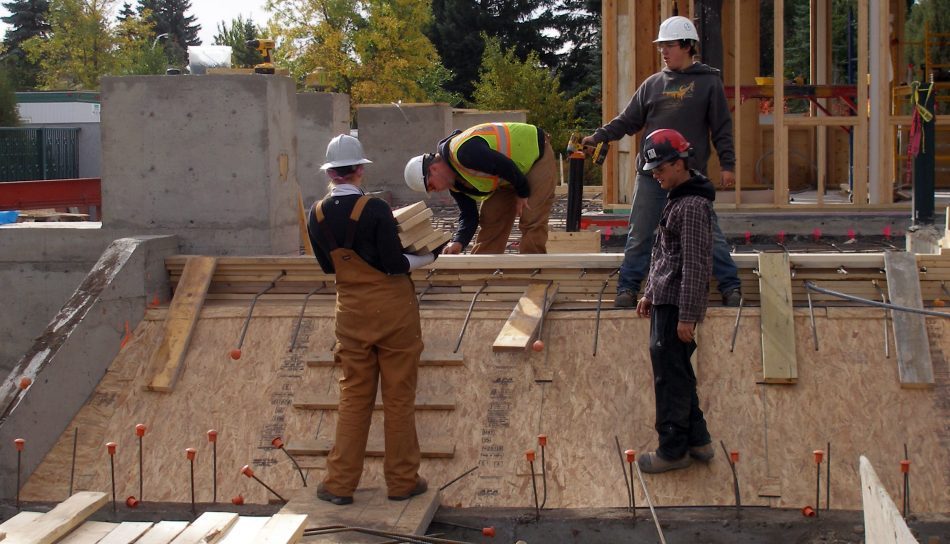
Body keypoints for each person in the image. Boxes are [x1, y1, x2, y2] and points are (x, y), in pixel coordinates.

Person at [582, 15, 742, 308]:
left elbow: (721, 128)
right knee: (639, 234)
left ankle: (731, 286)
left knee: (710, 234)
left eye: (669, 46)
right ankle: (628, 288)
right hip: (651, 174)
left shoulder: (708, 83)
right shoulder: (653, 84)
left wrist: (728, 165)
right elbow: (628, 120)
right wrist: (600, 136)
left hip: (688, 175)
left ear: (687, 45)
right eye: (661, 47)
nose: (664, 52)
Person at [308, 134, 433, 505]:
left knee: (353, 398)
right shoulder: (376, 209)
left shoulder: (315, 214)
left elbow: (328, 265)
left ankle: (339, 484)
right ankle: (402, 482)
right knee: (398, 398)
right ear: (360, 170)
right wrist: (430, 257)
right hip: (393, 313)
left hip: (350, 314)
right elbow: (395, 264)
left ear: (330, 172)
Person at [634, 129, 715, 474]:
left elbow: (696, 264)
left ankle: (672, 451)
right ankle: (699, 442)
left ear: (680, 163)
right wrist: (650, 291)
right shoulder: (679, 197)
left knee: (670, 380)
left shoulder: (693, 205)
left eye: (660, 170)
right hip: (666, 300)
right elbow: (665, 254)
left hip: (678, 308)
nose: (656, 175)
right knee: (679, 374)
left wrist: (688, 316)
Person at [404, 122, 556, 254]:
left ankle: (532, 274)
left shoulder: (464, 152)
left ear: (434, 169)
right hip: (509, 175)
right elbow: (469, 215)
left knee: (531, 217)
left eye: (430, 186)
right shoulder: (455, 184)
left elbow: (505, 165)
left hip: (534, 153)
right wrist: (459, 242)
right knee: (491, 217)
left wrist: (522, 193)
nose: (434, 190)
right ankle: (483, 274)